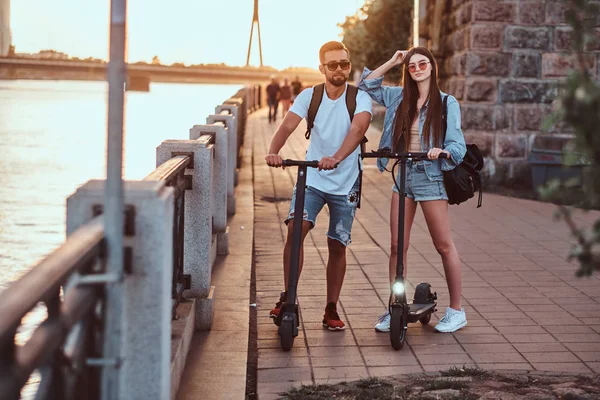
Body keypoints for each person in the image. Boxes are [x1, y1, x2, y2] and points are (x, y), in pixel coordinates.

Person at [357, 47, 467, 333]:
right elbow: (367, 85)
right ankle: (395, 306)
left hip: (430, 177)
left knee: (443, 245)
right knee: (397, 246)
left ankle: (456, 311)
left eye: (422, 64)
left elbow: (458, 145)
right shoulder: (398, 97)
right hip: (402, 175)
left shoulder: (446, 103)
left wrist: (441, 151)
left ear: (432, 67)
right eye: (412, 66)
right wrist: (393, 61)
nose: (417, 69)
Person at [265, 41, 372, 331]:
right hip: (312, 177)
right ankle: (288, 298)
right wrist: (274, 151)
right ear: (321, 68)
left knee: (337, 244)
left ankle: (331, 308)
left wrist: (337, 158)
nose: (339, 69)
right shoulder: (309, 96)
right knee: (295, 229)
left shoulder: (359, 97)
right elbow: (286, 127)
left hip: (346, 180)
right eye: (333, 64)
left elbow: (358, 129)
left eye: (344, 64)